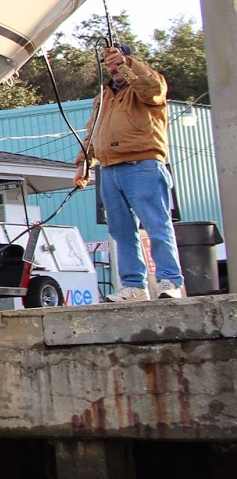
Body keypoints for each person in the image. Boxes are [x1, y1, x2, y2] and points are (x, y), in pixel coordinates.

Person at [75, 44, 184, 301]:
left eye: (116, 62)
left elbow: (152, 90)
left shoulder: (143, 85)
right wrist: (84, 162)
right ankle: (134, 284)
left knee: (157, 224)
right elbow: (93, 132)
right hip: (109, 168)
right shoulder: (102, 97)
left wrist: (128, 64)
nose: (112, 68)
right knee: (121, 231)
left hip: (142, 163)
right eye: (110, 64)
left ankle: (169, 281)